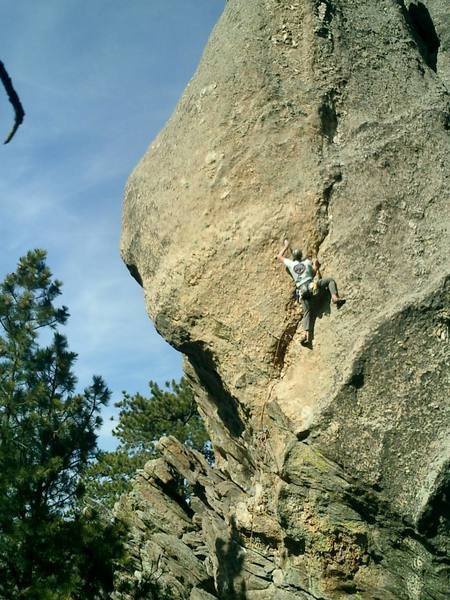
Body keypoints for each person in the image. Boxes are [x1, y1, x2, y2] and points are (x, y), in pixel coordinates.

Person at [276, 239, 346, 345]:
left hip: (303, 292)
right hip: (313, 288)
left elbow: (279, 257)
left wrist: (286, 245)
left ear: (294, 257)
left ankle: (307, 336)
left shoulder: (290, 264)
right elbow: (312, 274)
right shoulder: (307, 263)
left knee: (307, 313)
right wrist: (316, 267)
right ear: (301, 256)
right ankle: (335, 298)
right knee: (329, 281)